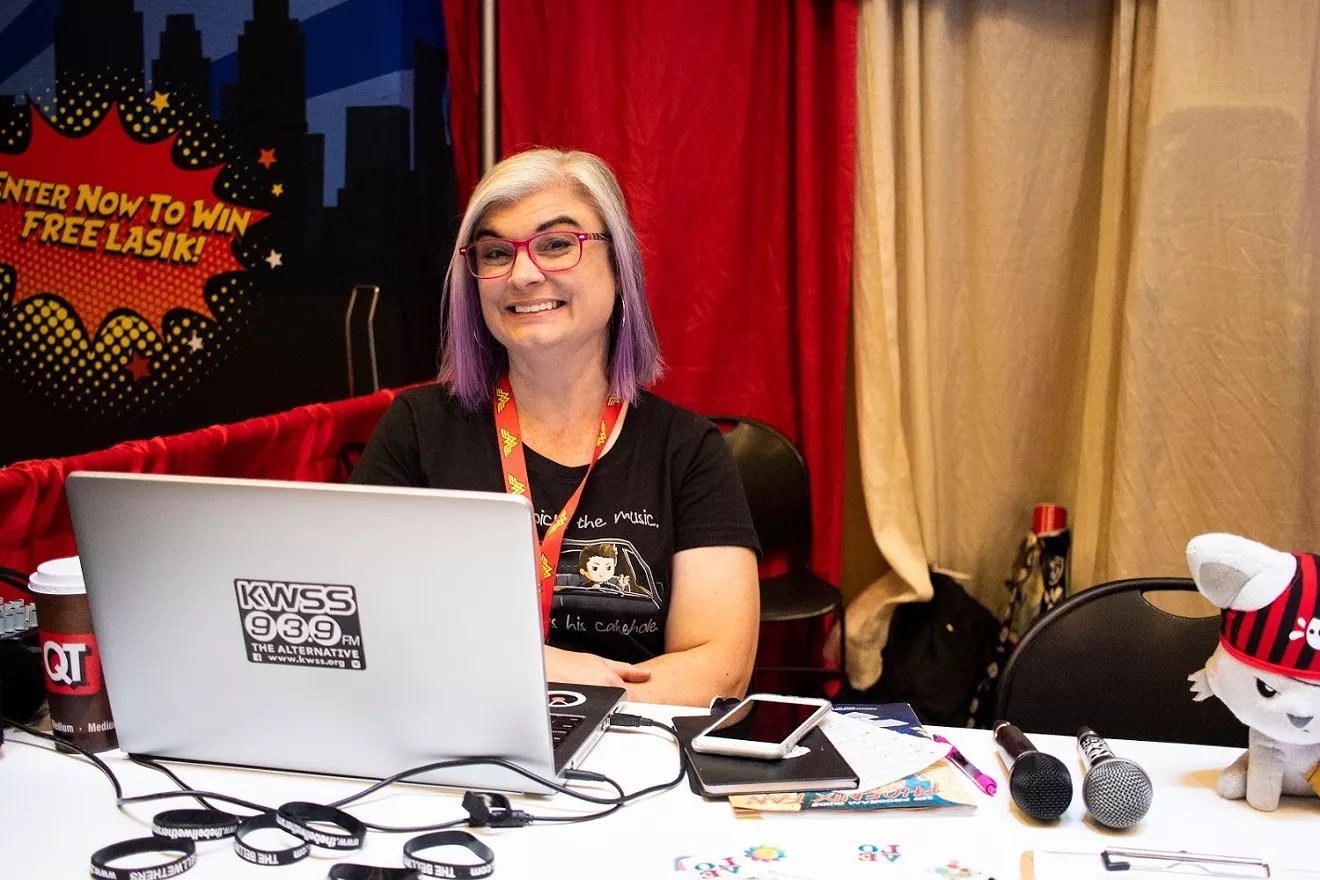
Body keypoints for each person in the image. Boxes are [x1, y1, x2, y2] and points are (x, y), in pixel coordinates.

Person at [350, 148, 760, 707]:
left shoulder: (686, 449)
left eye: (557, 244)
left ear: (620, 267)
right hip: (461, 736)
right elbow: (366, 624)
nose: (522, 274)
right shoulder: (417, 429)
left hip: (637, 745)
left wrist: (559, 694)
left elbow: (719, 671)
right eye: (496, 253)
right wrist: (543, 669)